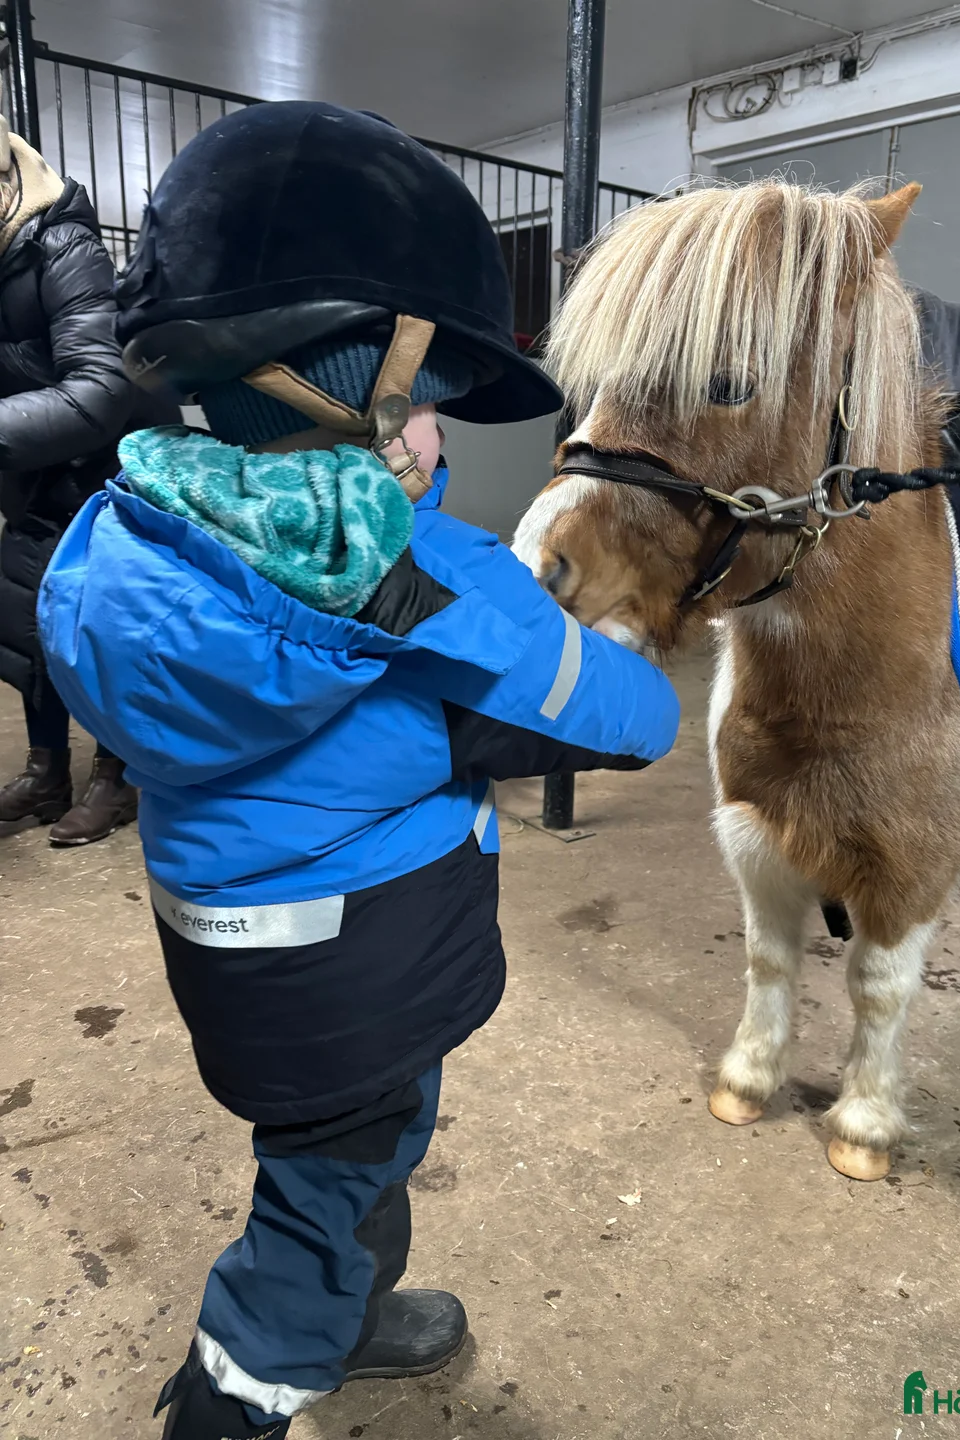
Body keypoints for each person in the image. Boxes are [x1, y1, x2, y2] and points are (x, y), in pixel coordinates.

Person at [38, 102, 679, 1440]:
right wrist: (508, 677)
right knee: (323, 1206)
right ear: (336, 392)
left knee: (331, 1157)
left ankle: (351, 1307)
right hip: (366, 973)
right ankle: (245, 1386)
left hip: (237, 965)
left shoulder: (108, 532)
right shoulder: (428, 577)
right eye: (427, 407)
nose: (440, 445)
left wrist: (388, 728)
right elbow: (636, 719)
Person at [0, 114, 171, 844]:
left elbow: (102, 387)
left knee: (100, 630)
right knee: (30, 620)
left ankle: (116, 775)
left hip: (107, 473)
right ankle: (46, 773)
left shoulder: (60, 245)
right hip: (39, 470)